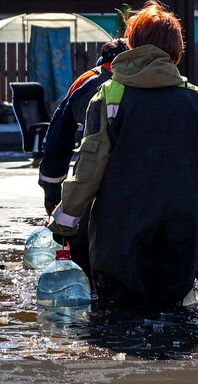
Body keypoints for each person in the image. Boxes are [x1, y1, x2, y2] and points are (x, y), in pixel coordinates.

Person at [49, 1, 198, 309]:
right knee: (172, 320)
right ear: (176, 49)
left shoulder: (109, 95)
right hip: (183, 233)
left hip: (119, 234)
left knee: (119, 318)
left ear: (131, 44)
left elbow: (89, 168)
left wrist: (65, 222)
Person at [38, 38, 129, 268]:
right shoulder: (160, 82)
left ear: (102, 60)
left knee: (84, 256)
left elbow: (57, 141)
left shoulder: (86, 82)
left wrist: (53, 194)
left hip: (93, 180)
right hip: (147, 183)